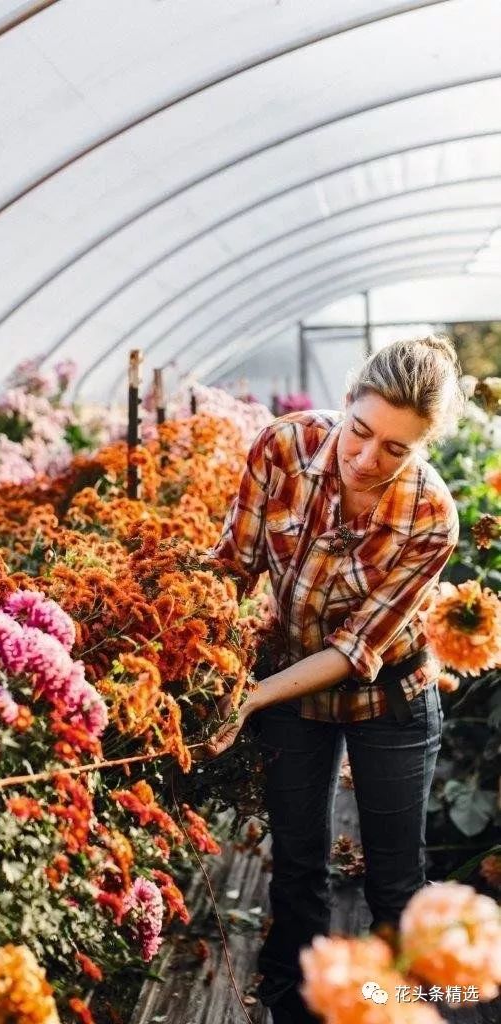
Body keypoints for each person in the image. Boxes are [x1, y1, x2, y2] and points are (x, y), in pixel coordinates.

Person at [202, 337, 464, 1024]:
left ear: (423, 448)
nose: (366, 458)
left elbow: (356, 650)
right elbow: (234, 564)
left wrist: (254, 695)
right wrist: (194, 648)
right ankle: (295, 1005)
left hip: (389, 697)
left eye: (395, 450)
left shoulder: (431, 517)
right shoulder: (281, 448)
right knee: (296, 868)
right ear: (346, 402)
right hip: (291, 680)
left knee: (396, 882)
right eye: (362, 431)